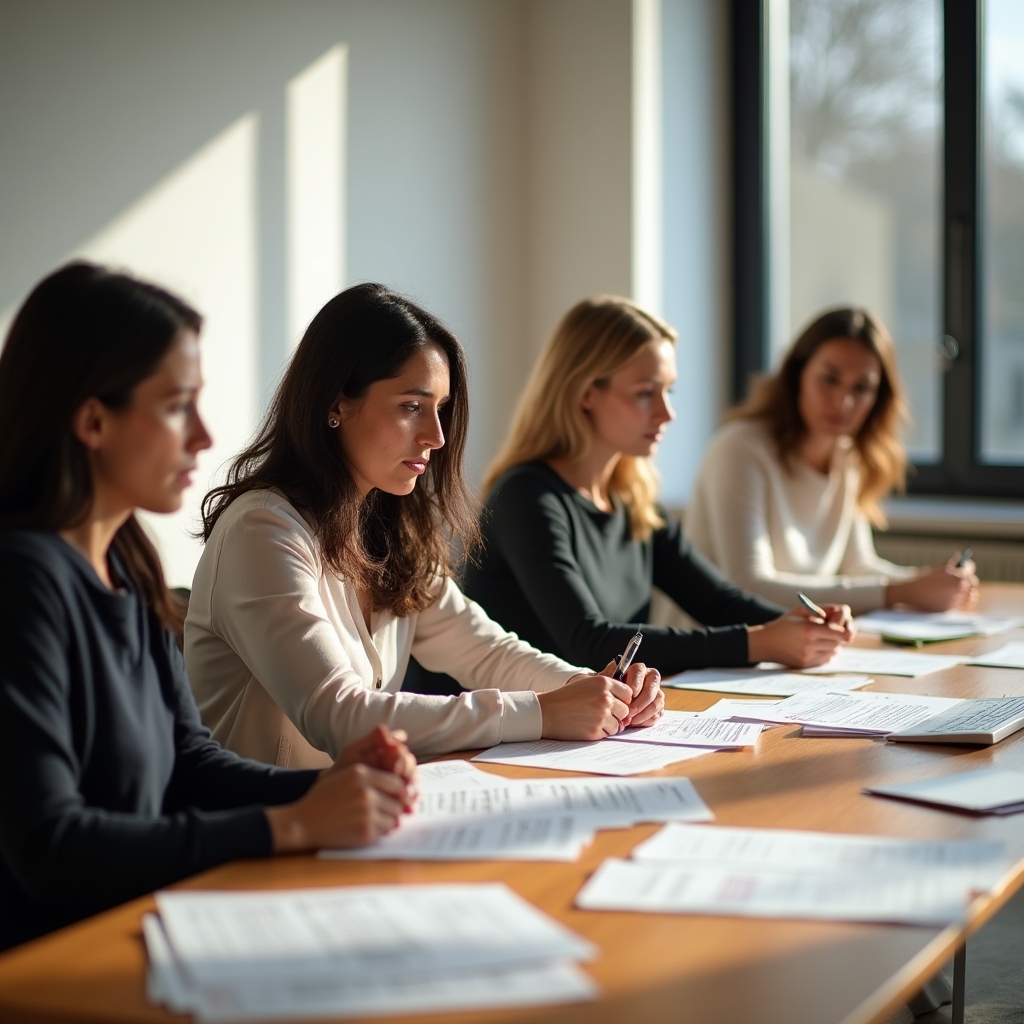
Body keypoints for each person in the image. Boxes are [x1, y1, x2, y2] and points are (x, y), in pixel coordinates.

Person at [0, 263, 420, 952]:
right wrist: (293, 826)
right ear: (92, 420)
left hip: (146, 933)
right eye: (175, 405)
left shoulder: (128, 567)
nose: (202, 435)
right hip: (55, 972)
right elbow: (52, 847)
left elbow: (189, 763)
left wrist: (328, 788)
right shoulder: (22, 584)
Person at [185, 284, 662, 771]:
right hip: (260, 831)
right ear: (335, 403)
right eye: (411, 406)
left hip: (356, 817)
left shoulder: (392, 527)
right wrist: (542, 712)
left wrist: (596, 690)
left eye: (441, 409)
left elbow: (487, 652)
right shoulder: (261, 529)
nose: (436, 436)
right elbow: (340, 716)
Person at [463, 296, 853, 677]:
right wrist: (761, 642)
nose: (667, 413)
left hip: (593, 725)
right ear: (585, 394)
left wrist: (803, 622)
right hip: (505, 731)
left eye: (669, 391)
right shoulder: (526, 498)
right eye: (645, 393)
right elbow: (590, 643)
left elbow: (717, 602)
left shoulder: (632, 499)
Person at [686, 307, 979, 615]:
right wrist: (902, 591)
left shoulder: (846, 456)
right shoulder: (739, 448)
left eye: (862, 388)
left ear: (878, 399)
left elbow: (858, 567)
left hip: (793, 647)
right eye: (829, 379)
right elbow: (749, 585)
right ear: (798, 374)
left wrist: (930, 581)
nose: (843, 402)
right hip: (709, 653)